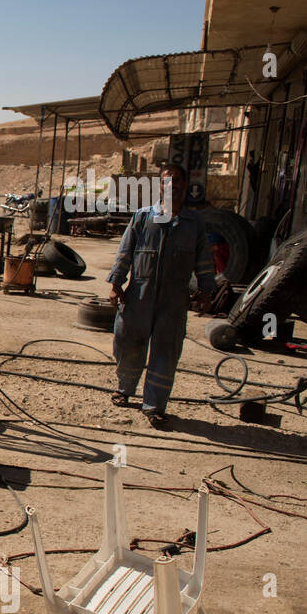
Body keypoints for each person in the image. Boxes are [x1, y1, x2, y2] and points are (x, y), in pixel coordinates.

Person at [106, 161, 216, 427]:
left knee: (166, 350)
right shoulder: (143, 217)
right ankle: (125, 388)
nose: (172, 186)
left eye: (177, 181)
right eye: (167, 181)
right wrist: (116, 283)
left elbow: (203, 260)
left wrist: (206, 291)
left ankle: (154, 405)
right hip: (139, 293)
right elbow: (125, 251)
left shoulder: (193, 223)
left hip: (174, 299)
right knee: (128, 341)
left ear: (185, 186)